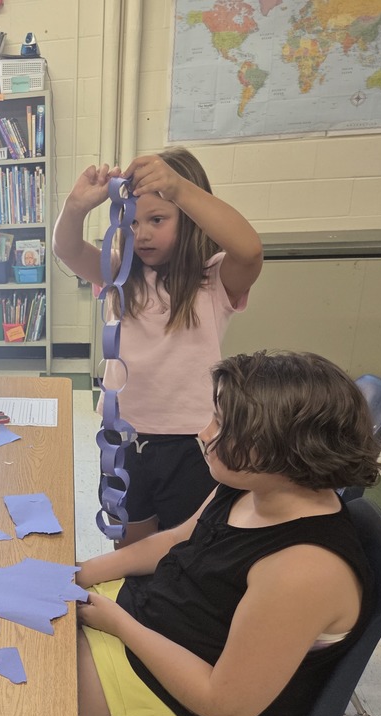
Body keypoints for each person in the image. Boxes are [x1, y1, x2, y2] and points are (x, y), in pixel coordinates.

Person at [76, 351, 381, 716]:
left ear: (280, 447)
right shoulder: (256, 482)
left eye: (221, 423)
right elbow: (174, 542)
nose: (203, 432)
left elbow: (223, 705)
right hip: (159, 621)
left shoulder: (304, 569)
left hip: (186, 696)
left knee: (8, 685)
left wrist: (117, 623)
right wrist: (84, 572)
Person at [53, 147, 264, 545]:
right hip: (124, 436)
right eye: (131, 223)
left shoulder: (214, 279)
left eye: (157, 219)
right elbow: (67, 248)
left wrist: (180, 189)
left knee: (184, 545)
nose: (142, 233)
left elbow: (249, 250)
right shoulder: (119, 275)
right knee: (130, 538)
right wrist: (75, 208)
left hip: (191, 442)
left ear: (189, 219)